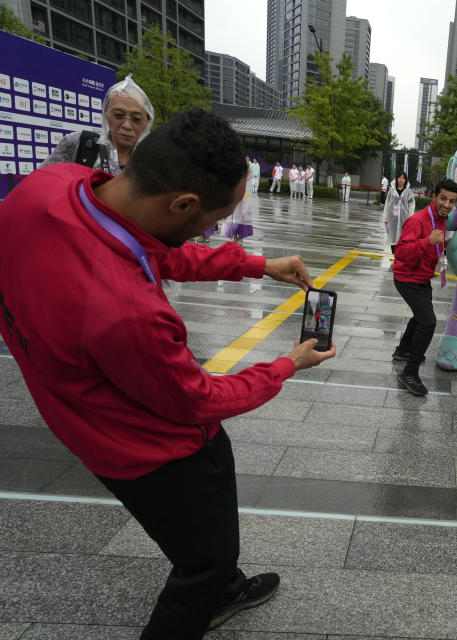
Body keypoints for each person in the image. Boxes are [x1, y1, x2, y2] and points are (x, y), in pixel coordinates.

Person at [0, 108, 336, 639]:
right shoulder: (126, 310)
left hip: (75, 412)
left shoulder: (52, 187)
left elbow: (158, 252)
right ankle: (211, 586)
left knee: (202, 505)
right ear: (182, 203)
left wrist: (255, 264)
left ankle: (222, 585)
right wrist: (286, 364)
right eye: (210, 220)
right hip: (147, 448)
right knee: (206, 558)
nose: (209, 229)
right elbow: (197, 400)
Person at [391, 178, 457, 396]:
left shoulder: (441, 220)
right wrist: (427, 242)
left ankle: (403, 350)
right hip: (407, 277)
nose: (446, 204)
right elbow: (400, 253)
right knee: (428, 322)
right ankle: (409, 373)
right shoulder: (418, 220)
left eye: (452, 201)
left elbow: (433, 243)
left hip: (422, 277)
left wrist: (444, 244)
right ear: (433, 196)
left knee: (420, 316)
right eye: (443, 198)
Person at [40, 74, 153, 175]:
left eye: (136, 119)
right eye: (118, 115)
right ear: (106, 114)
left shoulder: (156, 161)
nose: (127, 125)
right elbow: (41, 183)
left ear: (148, 121)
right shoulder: (79, 143)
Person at [222, 157, 255, 246]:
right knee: (235, 219)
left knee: (242, 220)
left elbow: (249, 181)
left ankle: (240, 238)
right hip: (236, 199)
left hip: (245, 199)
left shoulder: (248, 171)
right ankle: (235, 237)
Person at [383, 171, 416, 254]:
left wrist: (410, 217)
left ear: (405, 180)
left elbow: (411, 205)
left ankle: (400, 256)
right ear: (397, 179)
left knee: (403, 237)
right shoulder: (391, 190)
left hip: (404, 219)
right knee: (393, 237)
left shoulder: (408, 192)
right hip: (392, 218)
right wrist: (386, 217)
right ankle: (395, 256)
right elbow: (387, 203)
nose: (401, 180)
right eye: (399, 177)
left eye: (403, 178)